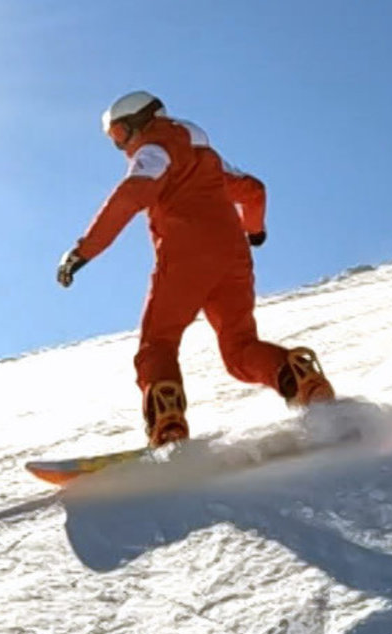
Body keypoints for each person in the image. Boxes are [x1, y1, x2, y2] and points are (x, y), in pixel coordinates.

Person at [56, 91, 334, 447]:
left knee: (158, 343)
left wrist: (83, 252)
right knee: (240, 350)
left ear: (142, 121)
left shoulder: (154, 149)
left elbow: (130, 196)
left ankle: (168, 425)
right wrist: (254, 230)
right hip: (234, 257)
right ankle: (299, 378)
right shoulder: (208, 156)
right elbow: (253, 190)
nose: (120, 146)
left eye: (120, 134)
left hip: (185, 254)